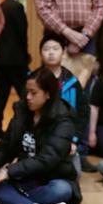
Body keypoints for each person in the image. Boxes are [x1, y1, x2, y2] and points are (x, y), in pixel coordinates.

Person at [0, 69, 82, 204]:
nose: (28, 97)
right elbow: (7, 144)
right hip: (23, 178)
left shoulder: (63, 118)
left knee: (62, 190)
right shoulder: (23, 111)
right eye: (27, 92)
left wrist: (9, 171)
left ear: (47, 94)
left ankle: (8, 202)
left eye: (33, 93)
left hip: (49, 179)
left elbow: (47, 159)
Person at [38, 33, 91, 170]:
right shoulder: (33, 80)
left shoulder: (72, 82)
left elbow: (83, 112)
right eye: (46, 49)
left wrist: (74, 140)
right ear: (40, 53)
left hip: (66, 139)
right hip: (39, 138)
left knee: (73, 174)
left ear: (63, 53)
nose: (51, 53)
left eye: (55, 49)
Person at [0, 0, 29, 139]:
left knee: (2, 93)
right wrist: (26, 55)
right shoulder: (17, 7)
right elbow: (22, 33)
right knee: (25, 93)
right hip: (16, 59)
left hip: (2, 58)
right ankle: (27, 125)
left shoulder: (2, 7)